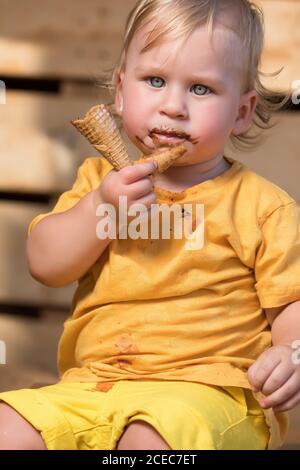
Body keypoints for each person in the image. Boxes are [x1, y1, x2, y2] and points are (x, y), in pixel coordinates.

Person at [0, 0, 299, 450]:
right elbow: (45, 264)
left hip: (208, 392)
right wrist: (101, 209)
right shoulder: (97, 183)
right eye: (155, 81)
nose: (173, 106)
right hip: (92, 387)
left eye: (201, 89)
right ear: (121, 91)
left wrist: (290, 353)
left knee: (149, 442)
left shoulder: (260, 207)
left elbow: (292, 302)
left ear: (241, 111)